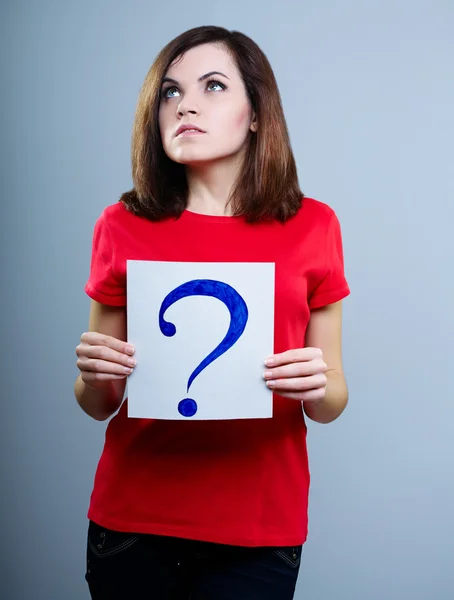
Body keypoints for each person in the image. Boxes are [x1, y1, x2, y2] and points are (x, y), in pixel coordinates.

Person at [74, 25, 350, 600]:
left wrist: (313, 385)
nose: (186, 104)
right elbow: (97, 404)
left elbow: (331, 402)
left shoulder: (313, 225)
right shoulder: (120, 225)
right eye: (170, 92)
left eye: (214, 86)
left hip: (258, 527)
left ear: (256, 114)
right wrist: (95, 372)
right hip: (132, 522)